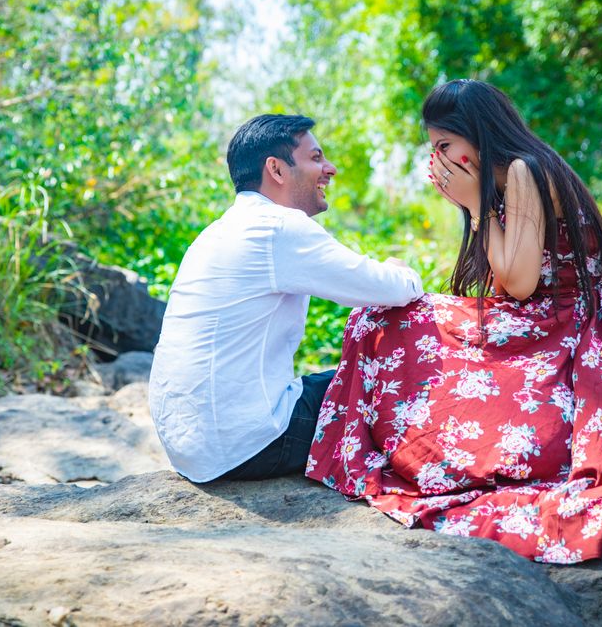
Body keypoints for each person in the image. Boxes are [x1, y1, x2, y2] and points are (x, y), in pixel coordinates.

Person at [306, 80, 602, 564]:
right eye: (434, 149)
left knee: (380, 322)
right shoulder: (514, 174)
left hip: (563, 332)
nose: (439, 159)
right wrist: (478, 205)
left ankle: (416, 451)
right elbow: (508, 284)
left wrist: (474, 205)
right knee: (381, 318)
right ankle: (410, 446)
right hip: (544, 322)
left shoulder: (527, 171)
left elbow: (521, 285)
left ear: (478, 136)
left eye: (445, 146)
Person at [148, 114, 424, 484]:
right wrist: (400, 268)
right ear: (276, 170)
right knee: (393, 368)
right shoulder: (278, 227)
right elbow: (392, 289)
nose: (331, 169)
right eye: (316, 158)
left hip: (193, 447)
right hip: (251, 443)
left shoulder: (218, 231)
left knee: (344, 377)